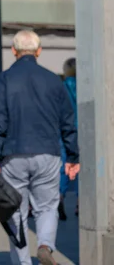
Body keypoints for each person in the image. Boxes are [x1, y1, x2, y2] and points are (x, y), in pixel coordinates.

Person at [0, 30, 79, 265]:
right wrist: (73, 157)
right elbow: (67, 121)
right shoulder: (53, 80)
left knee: (15, 211)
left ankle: (23, 262)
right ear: (39, 51)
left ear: (13, 51)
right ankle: (46, 245)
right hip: (48, 152)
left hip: (12, 153)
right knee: (47, 206)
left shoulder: (2, 80)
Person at [60, 57, 78, 219]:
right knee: (84, 167)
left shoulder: (63, 87)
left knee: (65, 166)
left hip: (65, 130)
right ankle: (81, 203)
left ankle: (60, 197)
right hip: (84, 129)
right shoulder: (85, 86)